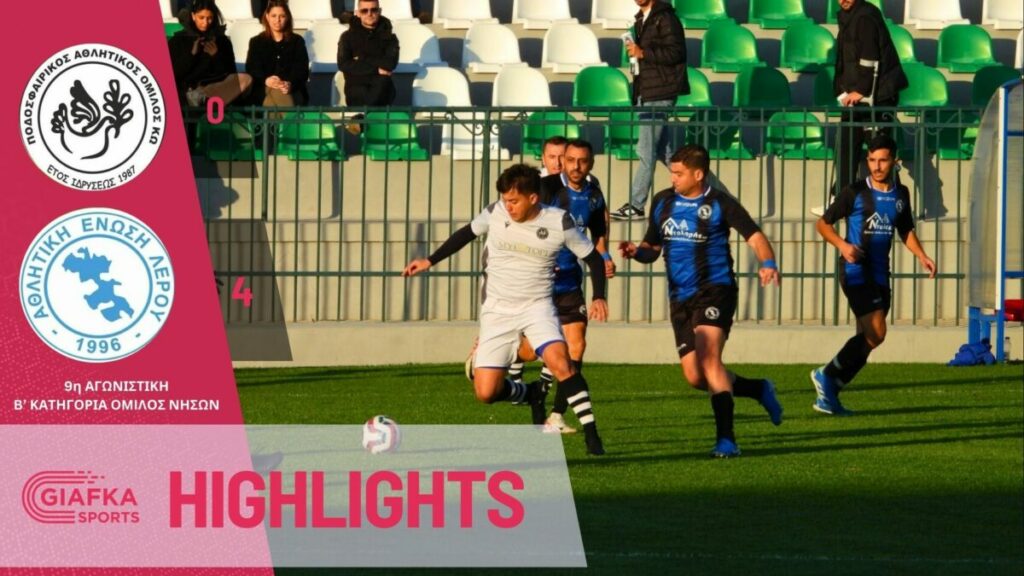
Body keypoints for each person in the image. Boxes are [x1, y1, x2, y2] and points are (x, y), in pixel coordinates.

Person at [403, 164, 610, 456]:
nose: (507, 206)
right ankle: (532, 393)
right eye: (504, 199)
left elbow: (594, 259)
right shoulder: (495, 212)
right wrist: (430, 260)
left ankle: (592, 436)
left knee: (562, 363)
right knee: (486, 392)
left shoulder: (558, 221)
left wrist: (599, 296)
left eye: (514, 201)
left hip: (537, 308)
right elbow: (466, 233)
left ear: (533, 198)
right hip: (497, 311)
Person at [619, 144, 783, 458]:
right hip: (680, 297)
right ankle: (758, 388)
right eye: (672, 172)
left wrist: (768, 263)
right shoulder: (662, 201)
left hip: (715, 290)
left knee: (709, 360)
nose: (673, 178)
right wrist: (636, 252)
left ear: (698, 174)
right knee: (696, 376)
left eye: (679, 174)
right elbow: (652, 248)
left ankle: (727, 440)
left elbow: (755, 236)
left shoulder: (720, 203)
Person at [811, 134, 936, 415]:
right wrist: (843, 245)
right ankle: (826, 374)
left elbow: (905, 229)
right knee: (877, 332)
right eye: (871, 160)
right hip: (855, 270)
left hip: (881, 274)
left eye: (882, 160)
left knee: (867, 341)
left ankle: (829, 396)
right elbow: (823, 224)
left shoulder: (901, 194)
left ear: (894, 161)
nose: (876, 166)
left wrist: (922, 255)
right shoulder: (855, 192)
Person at [517, 140, 614, 434]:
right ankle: (507, 356)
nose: (574, 166)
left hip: (570, 281)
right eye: (569, 160)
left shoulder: (594, 195)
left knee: (576, 346)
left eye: (581, 161)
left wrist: (604, 257)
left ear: (591, 163)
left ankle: (556, 415)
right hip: (541, 282)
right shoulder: (546, 188)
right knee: (530, 352)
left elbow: (597, 233)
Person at [818, 0, 907, 215]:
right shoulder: (847, 17)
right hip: (857, 97)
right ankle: (840, 201)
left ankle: (898, 205)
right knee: (846, 147)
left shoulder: (865, 16)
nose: (843, 0)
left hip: (877, 96)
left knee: (880, 154)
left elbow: (870, 58)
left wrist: (861, 91)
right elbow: (846, 59)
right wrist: (841, 90)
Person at [611, 0, 688, 221]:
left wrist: (643, 52)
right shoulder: (641, 19)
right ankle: (709, 193)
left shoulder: (665, 17)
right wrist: (637, 55)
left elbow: (677, 53)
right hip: (646, 92)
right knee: (668, 154)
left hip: (660, 93)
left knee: (645, 150)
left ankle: (636, 205)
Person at [168, 0, 252, 108]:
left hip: (215, 89)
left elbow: (230, 72)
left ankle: (205, 100)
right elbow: (174, 74)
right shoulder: (178, 40)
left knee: (245, 78)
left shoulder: (222, 41)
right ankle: (201, 101)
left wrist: (216, 56)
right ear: (193, 16)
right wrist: (192, 55)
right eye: (201, 18)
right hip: (188, 90)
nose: (205, 22)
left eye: (209, 18)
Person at [338, 0, 399, 135]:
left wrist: (362, 58)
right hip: (356, 89)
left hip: (382, 89)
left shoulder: (390, 37)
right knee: (370, 85)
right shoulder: (347, 37)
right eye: (364, 10)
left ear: (379, 11)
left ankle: (361, 119)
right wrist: (376, 69)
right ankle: (364, 119)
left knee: (383, 82)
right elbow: (343, 64)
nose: (369, 14)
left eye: (374, 10)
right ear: (358, 13)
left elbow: (390, 64)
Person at [246, 0, 310, 107]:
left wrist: (289, 84)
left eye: (282, 16)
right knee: (276, 93)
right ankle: (289, 119)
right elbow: (252, 69)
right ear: (267, 17)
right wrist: (266, 80)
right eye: (274, 16)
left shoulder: (297, 41)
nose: (278, 20)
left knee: (276, 97)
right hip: (263, 89)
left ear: (287, 18)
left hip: (291, 90)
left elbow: (302, 70)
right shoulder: (256, 42)